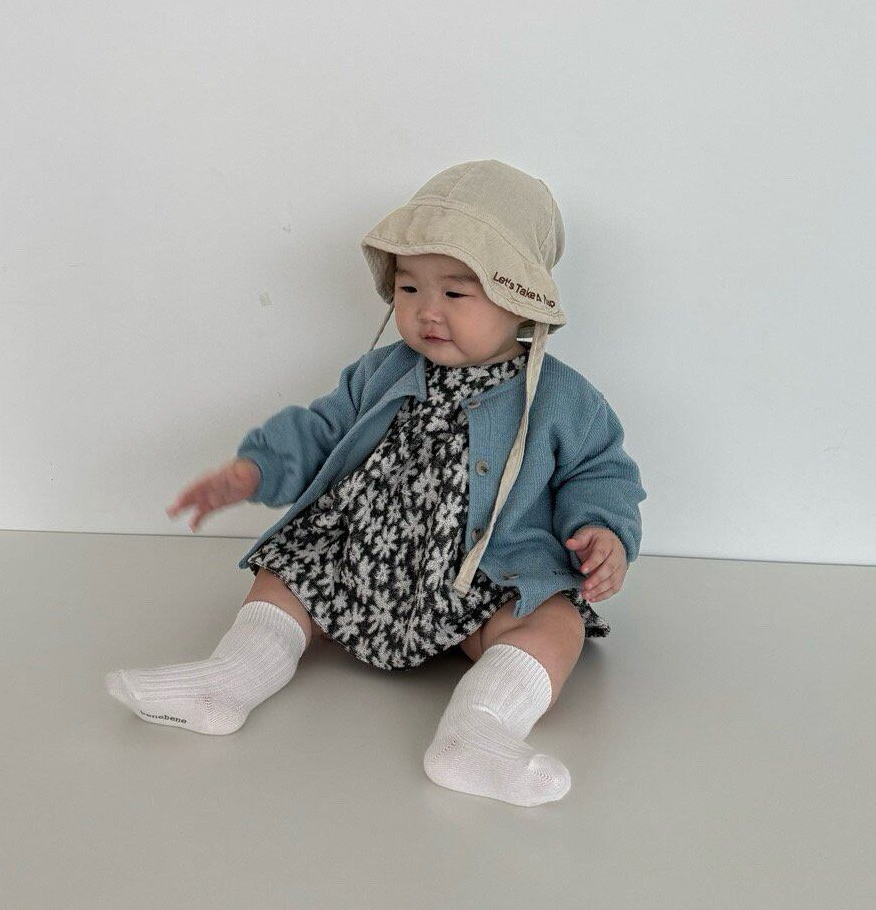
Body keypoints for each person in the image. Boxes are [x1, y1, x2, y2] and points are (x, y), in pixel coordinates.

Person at [105, 159, 647, 807]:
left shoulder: (562, 398)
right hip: (358, 557)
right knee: (285, 572)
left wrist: (602, 531)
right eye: (409, 288)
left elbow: (600, 471)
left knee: (555, 621)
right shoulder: (381, 371)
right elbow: (321, 429)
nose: (426, 311)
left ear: (520, 298)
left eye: (455, 293)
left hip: (483, 578)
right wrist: (258, 468)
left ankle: (478, 731)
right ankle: (230, 679)